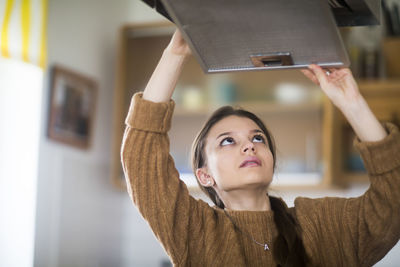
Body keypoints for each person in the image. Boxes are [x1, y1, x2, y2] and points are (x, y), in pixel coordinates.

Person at [121, 29, 400, 266]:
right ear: (205, 175)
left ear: (271, 161)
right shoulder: (194, 230)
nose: (249, 147)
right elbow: (141, 159)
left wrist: (353, 105)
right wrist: (176, 54)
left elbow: (392, 205)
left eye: (258, 139)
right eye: (228, 141)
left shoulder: (321, 224)